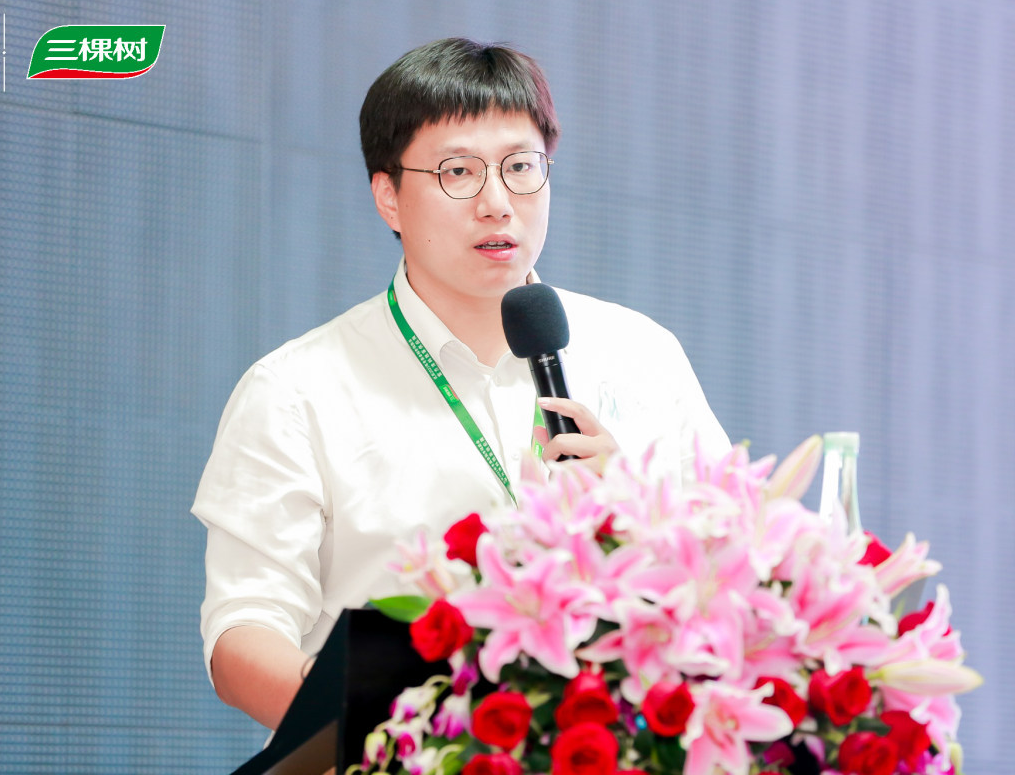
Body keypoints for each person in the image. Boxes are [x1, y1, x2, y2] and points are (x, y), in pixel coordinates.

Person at [191, 37, 730, 730]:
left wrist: (642, 518)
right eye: (458, 172)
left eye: (521, 167)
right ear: (389, 197)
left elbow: (733, 567)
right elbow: (244, 634)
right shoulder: (296, 391)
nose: (497, 203)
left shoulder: (641, 354)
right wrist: (387, 739)